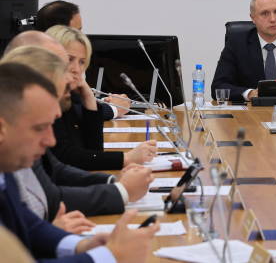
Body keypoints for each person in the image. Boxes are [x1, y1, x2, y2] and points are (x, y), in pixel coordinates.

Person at [0, 62, 158, 262]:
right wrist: (106, 256)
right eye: (40, 128)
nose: (51, 141)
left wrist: (81, 245)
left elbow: (27, 226)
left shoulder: (6, 168)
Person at [47, 26, 156, 171]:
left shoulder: (69, 95)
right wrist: (126, 158)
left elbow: (93, 151)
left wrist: (89, 99)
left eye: (81, 62)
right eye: (70, 59)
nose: (76, 69)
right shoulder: (44, 98)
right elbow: (66, 156)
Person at [32, 0, 130, 120]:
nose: (81, 36)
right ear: (59, 33)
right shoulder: (37, 69)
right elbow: (70, 111)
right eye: (77, 31)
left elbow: (77, 102)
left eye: (81, 62)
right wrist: (113, 109)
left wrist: (104, 101)